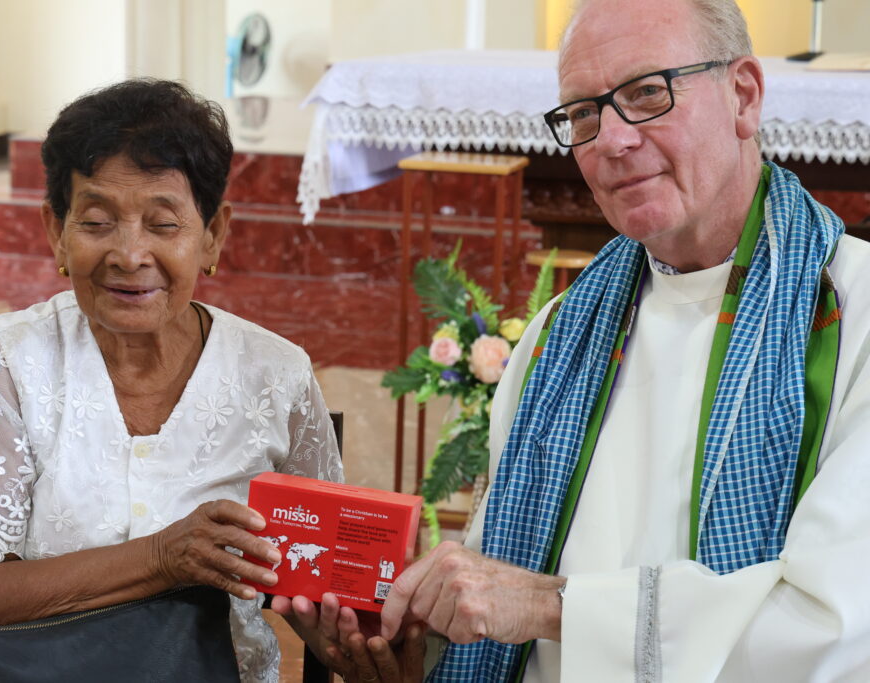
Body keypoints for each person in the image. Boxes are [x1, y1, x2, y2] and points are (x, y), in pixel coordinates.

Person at [342, 0, 870, 681]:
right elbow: (492, 599)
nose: (611, 141)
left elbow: (839, 625)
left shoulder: (853, 317)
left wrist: (556, 608)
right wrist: (402, 645)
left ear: (743, 96)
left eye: (649, 93)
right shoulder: (556, 336)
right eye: (584, 113)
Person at [0, 79, 344, 682]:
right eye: (96, 221)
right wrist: (163, 558)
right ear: (55, 232)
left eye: (164, 224)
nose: (128, 253)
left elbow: (317, 584)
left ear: (212, 235)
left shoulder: (276, 373)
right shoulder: (9, 361)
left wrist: (356, 630)